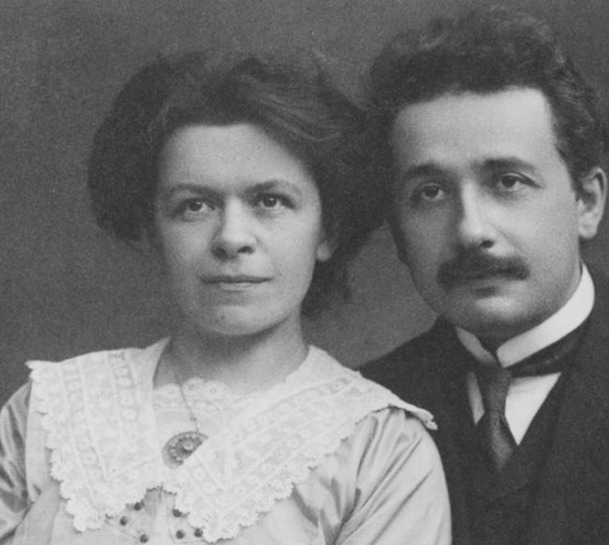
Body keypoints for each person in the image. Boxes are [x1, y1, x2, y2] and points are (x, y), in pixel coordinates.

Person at [0, 51, 451, 544]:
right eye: (194, 206)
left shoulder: (378, 447)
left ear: (327, 231)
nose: (232, 238)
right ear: (153, 231)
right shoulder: (51, 410)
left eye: (270, 201)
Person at [361, 6, 609, 544]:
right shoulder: (360, 410)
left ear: (587, 202)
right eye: (430, 193)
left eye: (508, 181)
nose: (471, 230)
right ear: (397, 229)